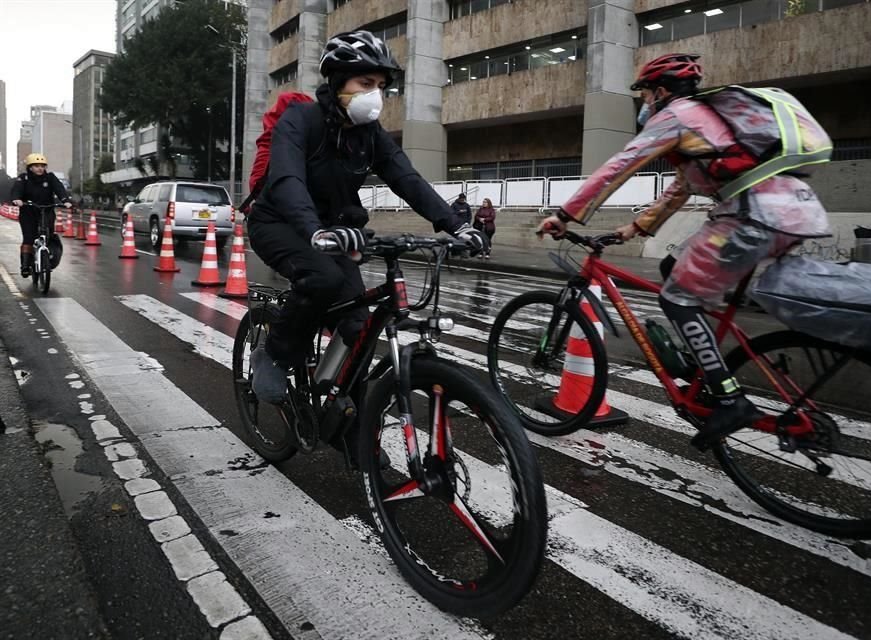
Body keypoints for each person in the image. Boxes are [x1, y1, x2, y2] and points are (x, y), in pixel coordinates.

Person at [537, 53, 831, 451]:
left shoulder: (676, 116)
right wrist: (634, 228)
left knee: (677, 298)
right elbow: (681, 187)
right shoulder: (706, 124)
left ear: (659, 92)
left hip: (753, 217)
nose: (644, 103)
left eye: (644, 94)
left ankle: (728, 398)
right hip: (791, 212)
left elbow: (618, 166)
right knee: (673, 266)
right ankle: (705, 366)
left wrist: (565, 216)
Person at [247, 30, 488, 407]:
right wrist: (314, 231)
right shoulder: (300, 120)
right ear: (338, 81)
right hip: (279, 222)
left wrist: (456, 224)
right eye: (365, 82)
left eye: (380, 85)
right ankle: (274, 355)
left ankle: (348, 421)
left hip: (336, 233)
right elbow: (287, 179)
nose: (375, 93)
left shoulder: (369, 135)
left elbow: (407, 178)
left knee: (359, 326)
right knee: (322, 277)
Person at [11, 153, 71, 277]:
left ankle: (48, 257)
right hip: (28, 212)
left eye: (42, 166)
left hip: (46, 210)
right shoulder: (23, 178)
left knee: (49, 235)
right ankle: (25, 265)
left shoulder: (50, 177)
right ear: (30, 167)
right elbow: (17, 189)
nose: (40, 168)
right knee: (28, 238)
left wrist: (65, 200)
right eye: (36, 166)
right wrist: (17, 199)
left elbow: (59, 188)